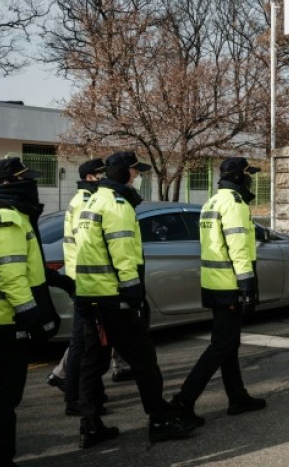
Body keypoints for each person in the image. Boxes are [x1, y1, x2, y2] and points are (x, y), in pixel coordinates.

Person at [75, 151, 196, 447]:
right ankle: (160, 419)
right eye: (135, 171)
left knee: (94, 360)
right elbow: (123, 255)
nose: (138, 176)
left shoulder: (91, 200)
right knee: (144, 360)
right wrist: (132, 296)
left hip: (89, 294)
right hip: (114, 297)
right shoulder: (118, 205)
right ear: (125, 173)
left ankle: (89, 425)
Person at [0, 157, 60, 467]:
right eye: (22, 178)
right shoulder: (7, 221)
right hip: (7, 323)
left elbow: (25, 269)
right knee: (1, 396)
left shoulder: (12, 217)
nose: (30, 183)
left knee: (3, 395)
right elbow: (12, 277)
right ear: (6, 184)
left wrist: (59, 281)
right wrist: (31, 317)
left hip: (4, 321)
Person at [170, 157, 267, 425]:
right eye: (248, 174)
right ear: (238, 177)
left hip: (214, 282)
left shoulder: (212, 201)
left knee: (229, 344)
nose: (251, 179)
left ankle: (237, 397)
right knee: (221, 345)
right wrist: (247, 284)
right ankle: (183, 401)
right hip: (229, 284)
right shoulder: (235, 204)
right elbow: (237, 247)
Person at [47, 158, 114, 415]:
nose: (104, 178)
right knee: (82, 343)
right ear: (90, 178)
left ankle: (87, 393)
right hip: (84, 281)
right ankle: (74, 397)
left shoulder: (83, 199)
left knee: (86, 342)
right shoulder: (85, 201)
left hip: (83, 280)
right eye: (100, 174)